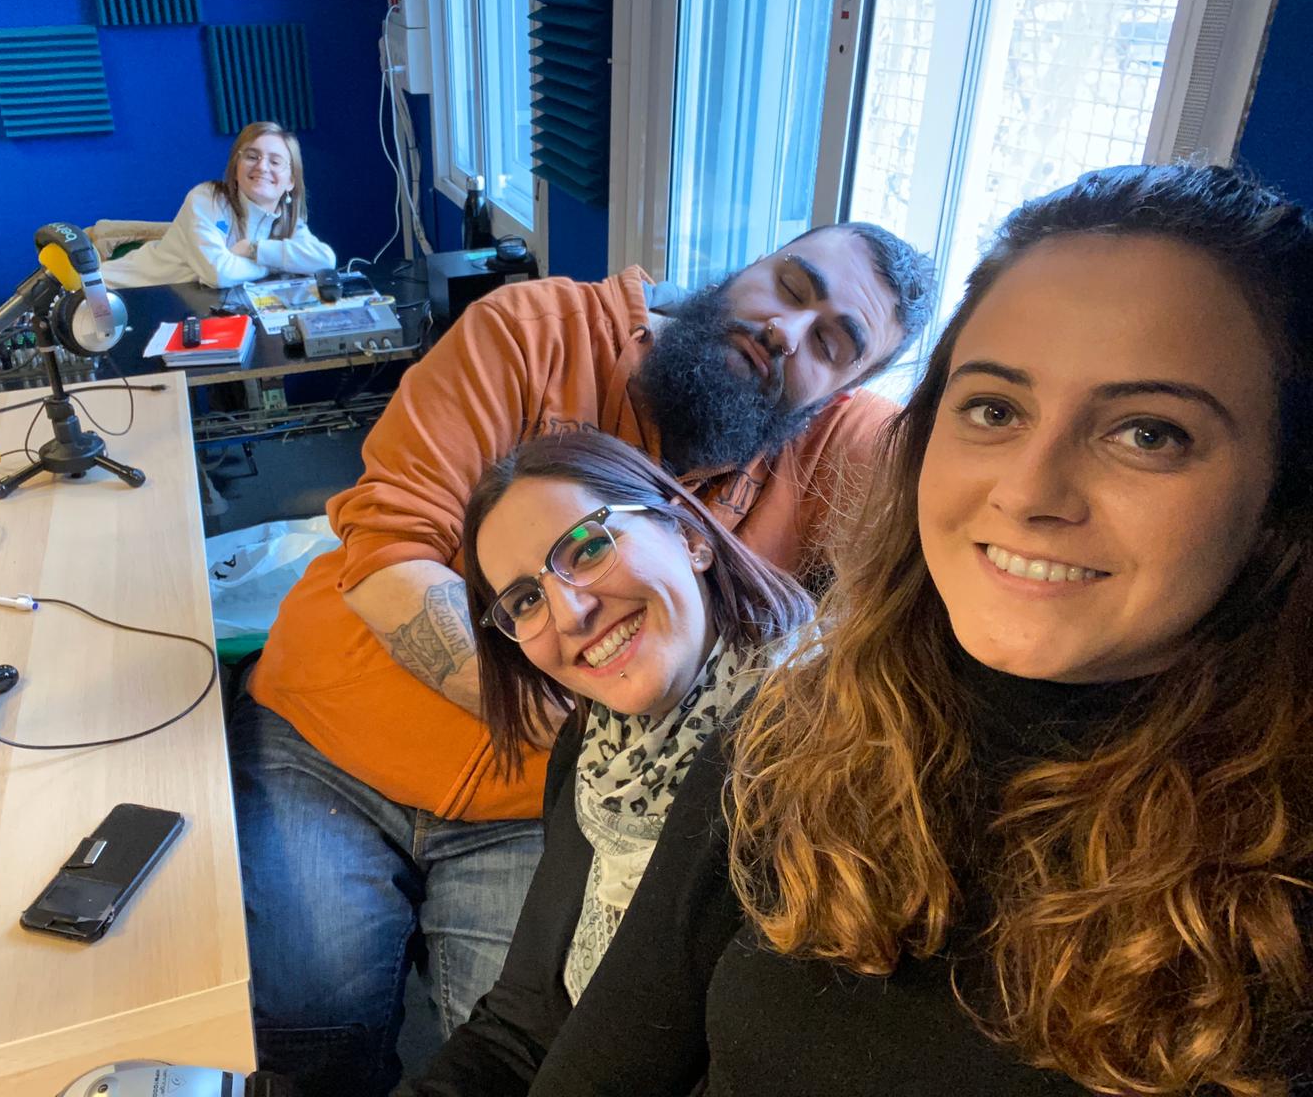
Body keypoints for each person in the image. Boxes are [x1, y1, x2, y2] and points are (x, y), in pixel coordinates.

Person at [524, 164, 1313, 1096]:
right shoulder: (791, 741)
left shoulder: (1286, 898)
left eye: (1149, 432)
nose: (1027, 492)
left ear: (1282, 497)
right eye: (994, 409)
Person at [234, 221, 936, 1097]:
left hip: (541, 812)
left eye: (833, 343)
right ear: (751, 265)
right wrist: (582, 700)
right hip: (332, 740)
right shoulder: (532, 329)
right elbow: (389, 550)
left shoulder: (839, 449)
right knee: (310, 1021)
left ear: (847, 389)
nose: (785, 331)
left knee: (541, 1042)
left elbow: (955, 489)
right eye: (792, 286)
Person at [396, 431, 810, 1096]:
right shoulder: (593, 752)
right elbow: (522, 1027)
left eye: (588, 548)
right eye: (526, 600)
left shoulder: (817, 760)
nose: (570, 613)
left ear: (690, 537)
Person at [100, 121, 335, 290]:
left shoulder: (286, 220)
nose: (262, 167)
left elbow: (324, 261)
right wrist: (275, 265)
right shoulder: (206, 199)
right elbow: (219, 273)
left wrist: (254, 249)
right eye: (252, 156)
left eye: (275, 161)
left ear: (291, 181)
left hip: (186, 306)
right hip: (120, 294)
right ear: (236, 167)